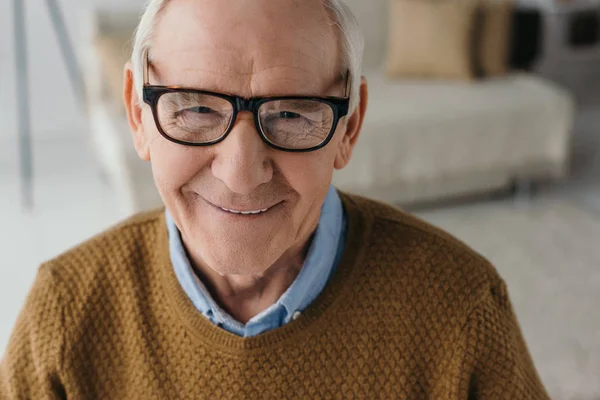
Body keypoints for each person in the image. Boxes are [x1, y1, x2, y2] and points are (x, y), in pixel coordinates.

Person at [0, 0, 550, 398]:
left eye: (291, 114)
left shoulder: (462, 308)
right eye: (194, 108)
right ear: (138, 115)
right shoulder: (66, 312)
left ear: (349, 126)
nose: (241, 174)